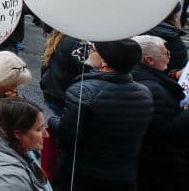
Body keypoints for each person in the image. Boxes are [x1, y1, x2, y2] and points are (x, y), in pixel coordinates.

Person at [48, 39, 154, 191]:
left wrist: (52, 120)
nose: (90, 50)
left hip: (83, 176)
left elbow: (68, 134)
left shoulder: (83, 91)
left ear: (105, 61)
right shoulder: (144, 93)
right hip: (123, 176)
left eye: (94, 48)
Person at [131, 34, 189, 190]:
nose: (169, 57)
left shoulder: (136, 76)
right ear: (149, 60)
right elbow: (166, 130)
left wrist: (175, 75)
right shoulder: (154, 90)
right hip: (159, 163)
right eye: (166, 54)